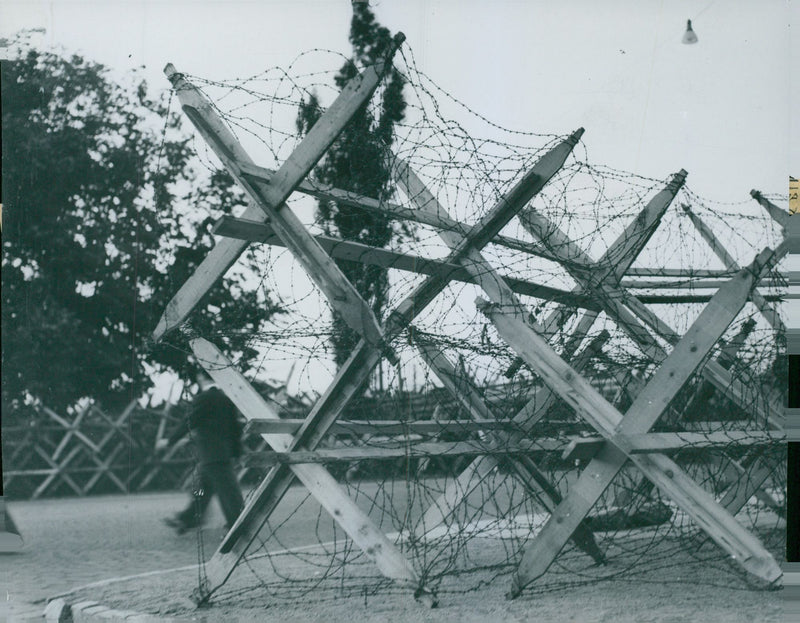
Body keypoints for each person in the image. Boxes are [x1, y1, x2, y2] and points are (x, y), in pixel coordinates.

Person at [156, 370, 245, 535]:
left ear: (201, 377)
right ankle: (187, 519)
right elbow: (235, 428)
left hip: (211, 453)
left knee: (227, 492)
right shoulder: (225, 398)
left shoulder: (204, 398)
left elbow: (189, 421)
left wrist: (169, 441)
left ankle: (238, 525)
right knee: (204, 487)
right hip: (221, 453)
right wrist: (237, 453)